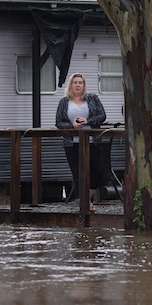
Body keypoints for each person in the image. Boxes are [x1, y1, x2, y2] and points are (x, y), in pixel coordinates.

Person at [55, 73, 107, 212]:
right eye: (75, 82)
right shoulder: (64, 102)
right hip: (72, 144)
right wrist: (72, 125)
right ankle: (86, 204)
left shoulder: (92, 98)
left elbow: (102, 116)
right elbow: (59, 123)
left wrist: (87, 121)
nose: (78, 85)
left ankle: (84, 201)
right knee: (78, 174)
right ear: (71, 85)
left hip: (93, 141)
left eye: (80, 82)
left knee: (98, 172)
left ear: (84, 85)